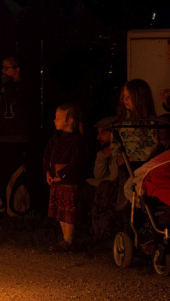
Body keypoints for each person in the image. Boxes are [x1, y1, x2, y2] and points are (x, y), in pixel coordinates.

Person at [0, 55, 31, 215]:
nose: (3, 71)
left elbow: (16, 103)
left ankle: (17, 207)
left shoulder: (23, 87)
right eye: (2, 67)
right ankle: (3, 205)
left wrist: (8, 85)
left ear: (17, 69)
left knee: (15, 173)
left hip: (16, 138)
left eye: (7, 68)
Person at [43, 103, 86, 253]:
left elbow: (75, 163)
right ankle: (65, 239)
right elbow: (47, 155)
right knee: (60, 211)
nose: (55, 120)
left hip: (68, 182)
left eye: (58, 118)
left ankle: (69, 239)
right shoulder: (56, 138)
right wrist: (47, 172)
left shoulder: (76, 141)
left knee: (68, 212)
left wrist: (61, 176)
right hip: (56, 180)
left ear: (69, 121)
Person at [88, 116, 122, 240]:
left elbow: (114, 177)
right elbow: (99, 175)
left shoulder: (120, 151)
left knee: (105, 188)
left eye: (103, 133)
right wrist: (102, 156)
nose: (98, 137)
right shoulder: (107, 151)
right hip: (107, 184)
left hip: (116, 187)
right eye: (98, 133)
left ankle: (102, 232)